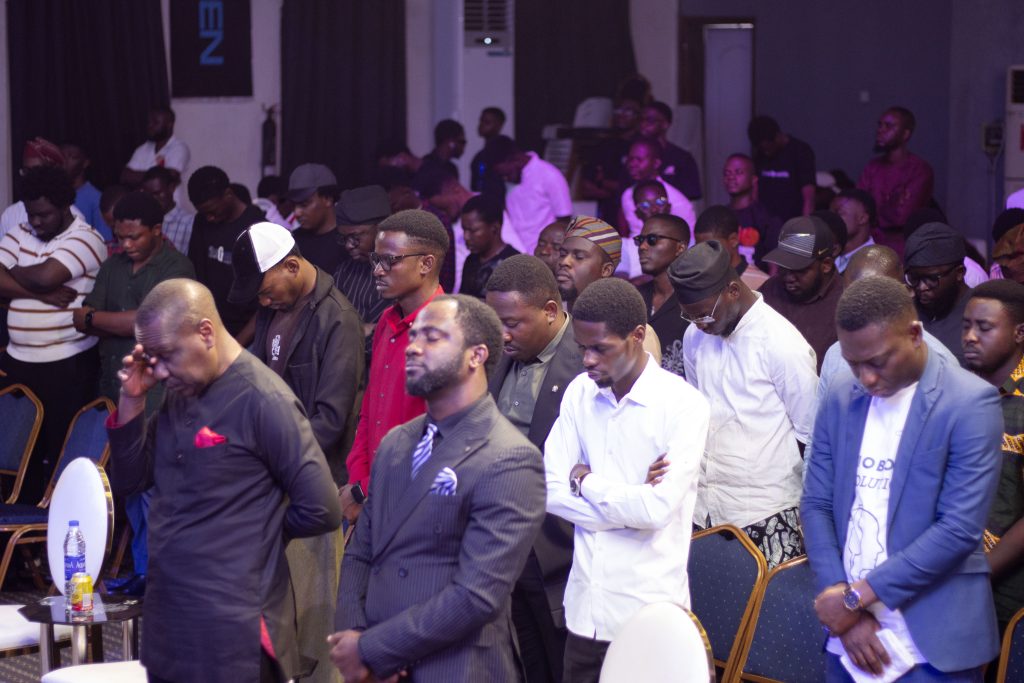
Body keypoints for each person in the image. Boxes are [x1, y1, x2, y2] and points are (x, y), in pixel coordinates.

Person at [107, 278, 342, 682]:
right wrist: (132, 399)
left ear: (206, 332)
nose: (159, 370)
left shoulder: (265, 400)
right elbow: (130, 481)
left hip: (237, 626)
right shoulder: (182, 390)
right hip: (172, 618)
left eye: (167, 356)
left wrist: (256, 533)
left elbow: (322, 508)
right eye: (152, 358)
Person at [331, 294, 545, 682]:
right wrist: (355, 639)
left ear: (476, 355)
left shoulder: (510, 457)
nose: (413, 347)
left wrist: (376, 649)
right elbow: (361, 551)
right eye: (413, 336)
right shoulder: (396, 443)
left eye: (432, 337)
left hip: (455, 668)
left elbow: (475, 596)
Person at [803, 275, 1002, 682]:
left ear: (914, 334)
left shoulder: (969, 403)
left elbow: (958, 529)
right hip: (849, 638)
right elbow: (817, 503)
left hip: (932, 639)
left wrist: (856, 598)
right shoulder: (841, 394)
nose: (866, 378)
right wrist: (843, 604)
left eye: (877, 362)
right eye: (854, 363)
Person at [544, 277, 710, 681]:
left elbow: (655, 512)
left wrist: (586, 483)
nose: (587, 360)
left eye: (600, 349)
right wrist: (629, 503)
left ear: (637, 336)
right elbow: (548, 490)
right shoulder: (579, 393)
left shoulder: (683, 405)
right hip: (585, 610)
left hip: (648, 614)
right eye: (582, 348)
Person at [229, 221, 364, 683]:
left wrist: (270, 462)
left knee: (314, 624)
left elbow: (330, 420)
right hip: (273, 483)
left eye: (266, 292)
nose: (264, 303)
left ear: (291, 265)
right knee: (275, 620)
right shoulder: (275, 308)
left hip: (311, 488)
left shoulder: (338, 318)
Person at [73, 190, 194, 597]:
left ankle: (158, 576)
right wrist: (105, 318)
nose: (125, 244)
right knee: (128, 487)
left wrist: (98, 318)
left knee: (156, 491)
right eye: (120, 237)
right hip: (115, 390)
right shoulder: (113, 266)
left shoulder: (176, 267)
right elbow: (80, 317)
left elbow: (148, 324)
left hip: (159, 398)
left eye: (134, 237)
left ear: (157, 230)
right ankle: (143, 572)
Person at [671, 241, 816, 567]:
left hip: (765, 509)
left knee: (770, 600)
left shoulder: (782, 343)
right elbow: (698, 410)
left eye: (704, 314)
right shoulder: (695, 336)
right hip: (706, 508)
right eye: (689, 316)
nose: (699, 324)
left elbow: (812, 435)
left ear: (733, 291)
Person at [484, 254, 582, 683]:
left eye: (512, 323)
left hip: (559, 548)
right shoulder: (499, 355)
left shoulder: (585, 360)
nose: (502, 334)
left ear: (550, 311)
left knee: (562, 667)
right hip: (502, 542)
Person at [0, 166, 106, 502]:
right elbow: (42, 283)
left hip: (67, 363)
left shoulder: (86, 238)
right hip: (19, 361)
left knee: (62, 452)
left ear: (63, 206)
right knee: (18, 455)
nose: (36, 222)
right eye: (31, 214)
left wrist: (12, 271)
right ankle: (22, 528)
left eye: (44, 214)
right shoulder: (19, 231)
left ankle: (60, 523)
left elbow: (47, 276)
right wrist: (41, 295)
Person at [341, 209, 449, 522]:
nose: (377, 270)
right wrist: (359, 482)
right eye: (376, 259)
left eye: (390, 260)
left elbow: (438, 442)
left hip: (414, 504)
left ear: (426, 264)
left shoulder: (448, 332)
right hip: (369, 494)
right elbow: (369, 413)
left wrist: (365, 489)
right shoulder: (387, 322)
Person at [816, 245, 957, 404]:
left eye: (874, 298)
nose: (861, 308)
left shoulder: (942, 367)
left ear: (905, 292)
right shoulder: (836, 355)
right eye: (852, 298)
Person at [962, 280, 1024, 635]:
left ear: (1019, 333)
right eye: (966, 326)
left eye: (984, 327)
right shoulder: (957, 389)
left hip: (1006, 592)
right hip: (947, 573)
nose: (970, 336)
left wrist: (978, 572)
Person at [186, 165, 265, 342]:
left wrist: (237, 345)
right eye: (203, 213)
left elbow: (265, 301)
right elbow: (196, 273)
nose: (209, 218)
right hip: (209, 326)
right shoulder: (202, 221)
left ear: (228, 194)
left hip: (247, 332)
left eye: (212, 212)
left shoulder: (258, 227)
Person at [761, 215, 845, 372]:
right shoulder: (770, 289)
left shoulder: (847, 303)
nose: (788, 277)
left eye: (799, 270)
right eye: (783, 267)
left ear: (826, 265)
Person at [481, 135, 573, 253]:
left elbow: (564, 220)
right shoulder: (509, 179)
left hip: (544, 254)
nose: (505, 178)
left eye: (506, 174)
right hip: (517, 253)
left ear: (514, 159)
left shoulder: (549, 175)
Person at [857, 107, 934, 238]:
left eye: (888, 126)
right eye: (880, 125)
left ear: (905, 134)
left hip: (902, 241)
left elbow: (901, 217)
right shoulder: (872, 167)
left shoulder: (919, 169)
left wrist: (873, 214)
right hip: (870, 239)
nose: (880, 130)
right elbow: (858, 207)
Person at [903, 222, 972, 367]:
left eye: (932, 279)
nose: (921, 287)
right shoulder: (905, 312)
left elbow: (1019, 366)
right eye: (914, 278)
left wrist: (1009, 383)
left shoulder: (986, 311)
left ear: (959, 273)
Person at [333, 185, 393, 340]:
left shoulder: (401, 273)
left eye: (355, 237)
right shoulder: (345, 271)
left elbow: (385, 336)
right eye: (344, 238)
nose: (349, 245)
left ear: (381, 230)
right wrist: (363, 329)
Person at [635, 214, 689, 376]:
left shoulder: (695, 301)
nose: (642, 247)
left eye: (652, 239)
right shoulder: (634, 297)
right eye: (640, 240)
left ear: (680, 248)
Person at [0, 138, 85, 240]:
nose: (31, 177)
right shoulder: (10, 214)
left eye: (38, 171)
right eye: (26, 171)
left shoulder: (73, 218)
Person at [579, 97, 642, 222]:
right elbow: (587, 187)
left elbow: (635, 188)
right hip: (606, 212)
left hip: (634, 212)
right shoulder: (604, 145)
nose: (622, 115)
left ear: (638, 116)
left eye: (628, 111)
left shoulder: (641, 147)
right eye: (618, 110)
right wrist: (611, 190)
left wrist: (604, 183)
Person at [620, 138, 696, 239]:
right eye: (630, 159)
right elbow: (634, 233)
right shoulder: (627, 195)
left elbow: (689, 240)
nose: (632, 164)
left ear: (656, 163)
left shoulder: (678, 201)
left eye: (639, 160)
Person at [747, 115, 816, 221]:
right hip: (765, 222)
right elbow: (755, 189)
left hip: (793, 222)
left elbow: (808, 194)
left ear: (777, 136)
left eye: (769, 148)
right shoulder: (760, 156)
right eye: (763, 149)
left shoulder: (801, 152)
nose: (766, 153)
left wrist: (806, 223)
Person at [723, 153, 784, 270]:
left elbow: (774, 267)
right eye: (727, 173)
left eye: (738, 172)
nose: (731, 177)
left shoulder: (767, 218)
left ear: (753, 179)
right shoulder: (720, 216)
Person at [286, 163, 346, 275]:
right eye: (294, 205)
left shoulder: (348, 243)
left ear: (327, 199)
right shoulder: (292, 243)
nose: (297, 212)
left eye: (304, 204)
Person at [693, 205, 769, 291]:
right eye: (699, 248)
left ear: (734, 240)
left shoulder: (762, 285)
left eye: (711, 248)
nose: (704, 255)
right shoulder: (696, 284)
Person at [638, 101, 702, 201]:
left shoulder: (682, 158)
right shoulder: (633, 156)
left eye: (650, 120)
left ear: (665, 124)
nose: (643, 124)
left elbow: (691, 194)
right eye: (641, 120)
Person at [458, 194, 519, 299]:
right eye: (464, 230)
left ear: (494, 228)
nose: (466, 237)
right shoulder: (471, 260)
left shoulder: (514, 265)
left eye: (473, 230)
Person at [121, 106, 190, 188]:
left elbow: (168, 178)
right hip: (143, 196)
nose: (150, 125)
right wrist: (157, 176)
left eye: (155, 122)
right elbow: (125, 176)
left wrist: (136, 176)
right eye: (149, 122)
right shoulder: (143, 148)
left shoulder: (179, 148)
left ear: (169, 125)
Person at [61, 141, 111, 241]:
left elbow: (104, 240)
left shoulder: (96, 198)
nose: (64, 161)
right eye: (62, 156)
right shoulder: (54, 193)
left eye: (72, 157)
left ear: (85, 163)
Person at [141, 166, 195, 254]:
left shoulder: (189, 223)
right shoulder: (142, 221)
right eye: (148, 195)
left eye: (157, 193)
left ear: (171, 188)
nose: (153, 199)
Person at [831, 189, 878, 273]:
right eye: (831, 214)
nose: (831, 219)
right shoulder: (828, 254)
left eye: (839, 213)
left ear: (863, 218)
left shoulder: (877, 262)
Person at [469, 106, 507, 199]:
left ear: (499, 125)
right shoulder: (479, 156)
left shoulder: (504, 153)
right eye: (481, 121)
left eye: (487, 122)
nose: (481, 125)